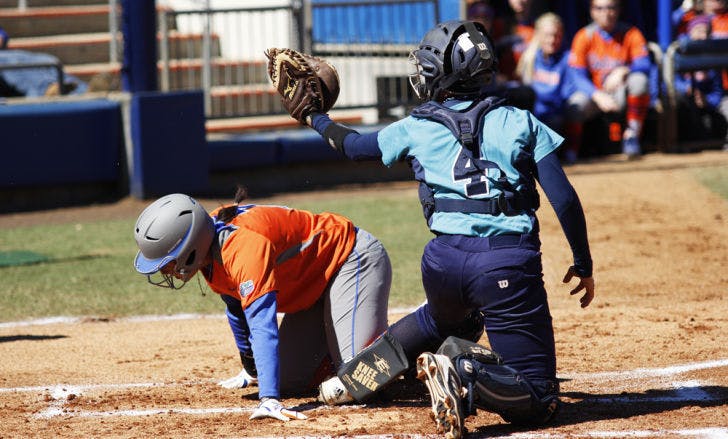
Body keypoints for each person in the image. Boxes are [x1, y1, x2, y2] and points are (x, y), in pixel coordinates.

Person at [299, 19, 594, 438]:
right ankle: (462, 369)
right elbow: (563, 199)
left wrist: (315, 118)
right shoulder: (520, 121)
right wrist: (583, 262)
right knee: (541, 399)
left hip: (442, 265)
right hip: (505, 267)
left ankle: (350, 380)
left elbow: (353, 147)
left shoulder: (418, 125)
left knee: (445, 320)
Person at [133, 189, 392, 422]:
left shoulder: (242, 248)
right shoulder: (209, 241)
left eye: (168, 260)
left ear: (190, 247)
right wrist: (251, 368)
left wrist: (269, 399)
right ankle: (336, 346)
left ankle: (423, 329)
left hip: (350, 259)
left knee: (360, 380)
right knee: (288, 380)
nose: (166, 269)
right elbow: (234, 305)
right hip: (313, 287)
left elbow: (262, 325)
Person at [567, 0, 653, 159]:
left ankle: (632, 136)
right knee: (575, 105)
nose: (605, 13)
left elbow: (645, 64)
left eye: (610, 7)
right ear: (592, 11)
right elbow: (576, 75)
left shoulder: (631, 33)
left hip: (620, 93)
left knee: (640, 81)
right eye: (599, 8)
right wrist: (597, 95)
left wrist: (624, 70)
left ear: (618, 9)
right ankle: (572, 150)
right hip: (594, 95)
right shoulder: (584, 36)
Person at [515, 12, 582, 163]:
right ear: (538, 35)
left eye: (556, 35)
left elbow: (566, 95)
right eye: (547, 35)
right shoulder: (530, 57)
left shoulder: (567, 59)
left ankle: (570, 152)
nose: (552, 40)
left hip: (554, 119)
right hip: (531, 117)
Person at [673, 15, 728, 149]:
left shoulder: (712, 57)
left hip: (707, 103)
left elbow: (717, 91)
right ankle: (678, 145)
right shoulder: (678, 51)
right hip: (685, 100)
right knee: (677, 102)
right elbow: (668, 82)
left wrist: (706, 100)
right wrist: (686, 88)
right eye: (698, 31)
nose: (702, 36)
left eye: (706, 32)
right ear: (690, 32)